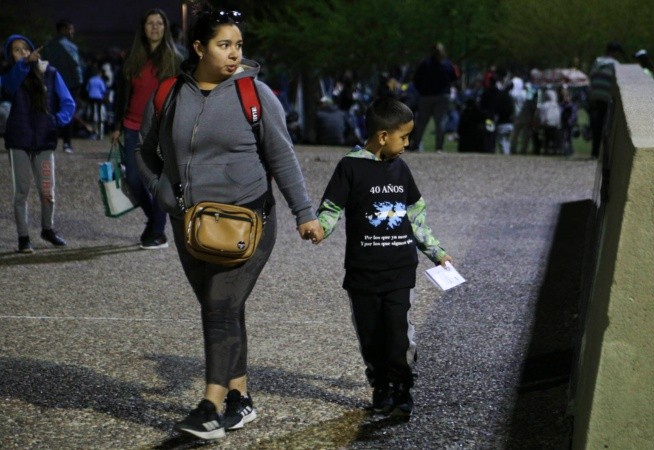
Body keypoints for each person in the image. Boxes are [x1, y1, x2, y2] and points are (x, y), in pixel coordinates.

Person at [135, 7, 322, 440]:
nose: (234, 53)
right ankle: (240, 398)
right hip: (191, 226)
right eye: (224, 45)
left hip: (249, 223)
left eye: (238, 45)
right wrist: (163, 190)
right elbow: (144, 151)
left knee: (220, 305)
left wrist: (305, 214)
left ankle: (209, 408)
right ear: (199, 48)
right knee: (220, 308)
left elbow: (283, 158)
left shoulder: (255, 95)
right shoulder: (168, 94)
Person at [313, 97, 453, 418]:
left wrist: (437, 253)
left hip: (399, 271)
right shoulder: (350, 167)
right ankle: (380, 382)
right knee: (370, 333)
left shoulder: (401, 169)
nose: (408, 143)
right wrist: (320, 229)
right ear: (382, 136)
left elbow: (416, 217)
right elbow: (331, 208)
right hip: (363, 273)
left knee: (398, 334)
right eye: (403, 137)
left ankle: (402, 389)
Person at [111, 8, 183, 249]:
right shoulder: (132, 56)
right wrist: (117, 125)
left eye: (159, 23)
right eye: (150, 23)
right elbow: (122, 94)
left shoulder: (176, 59)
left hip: (161, 127)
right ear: (143, 28)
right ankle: (154, 220)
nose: (155, 27)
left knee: (159, 180)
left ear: (165, 28)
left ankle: (157, 233)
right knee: (132, 179)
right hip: (132, 125)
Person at [2, 35, 75, 253]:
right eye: (16, 50)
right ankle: (23, 237)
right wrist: (24, 65)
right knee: (21, 192)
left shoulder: (50, 74)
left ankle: (47, 229)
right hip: (19, 140)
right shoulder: (9, 77)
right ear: (10, 56)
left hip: (44, 140)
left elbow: (68, 102)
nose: (22, 52)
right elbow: (8, 87)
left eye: (25, 48)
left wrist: (56, 120)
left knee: (47, 190)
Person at [40, 19, 83, 153]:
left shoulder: (47, 46)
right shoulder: (71, 47)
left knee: (50, 111)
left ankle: (48, 141)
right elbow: (77, 68)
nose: (72, 32)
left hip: (51, 83)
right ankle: (67, 143)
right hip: (70, 84)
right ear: (64, 30)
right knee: (68, 112)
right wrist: (79, 84)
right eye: (70, 29)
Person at [411, 43, 458, 151]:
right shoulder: (447, 64)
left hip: (426, 96)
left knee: (422, 122)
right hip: (442, 96)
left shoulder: (425, 64)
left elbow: (416, 79)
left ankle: (416, 145)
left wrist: (421, 90)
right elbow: (454, 78)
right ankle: (439, 147)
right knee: (440, 123)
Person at [588, 42, 623, 159]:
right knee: (606, 127)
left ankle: (594, 152)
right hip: (607, 98)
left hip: (594, 97)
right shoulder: (616, 64)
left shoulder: (597, 61)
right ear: (616, 52)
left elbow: (592, 77)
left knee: (596, 126)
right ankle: (605, 155)